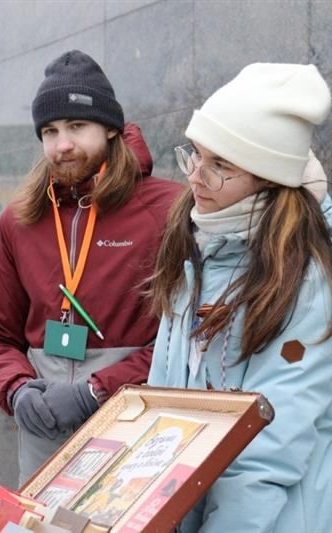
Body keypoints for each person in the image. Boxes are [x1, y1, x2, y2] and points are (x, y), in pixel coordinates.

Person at [0, 49, 182, 483]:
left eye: (77, 126)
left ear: (110, 129)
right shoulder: (19, 220)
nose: (61, 144)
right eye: (50, 130)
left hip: (135, 429)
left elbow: (187, 342)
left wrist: (97, 390)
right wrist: (17, 389)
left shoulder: (169, 209)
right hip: (44, 433)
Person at [147, 62, 332, 532]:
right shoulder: (195, 248)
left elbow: (268, 450)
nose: (194, 178)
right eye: (196, 156)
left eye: (220, 166)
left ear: (267, 177)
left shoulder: (304, 278)